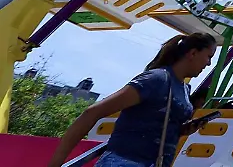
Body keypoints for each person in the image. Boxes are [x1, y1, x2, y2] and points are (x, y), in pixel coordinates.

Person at [47, 32, 218, 167]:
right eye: (209, 56)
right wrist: (56, 163)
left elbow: (156, 126)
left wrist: (182, 130)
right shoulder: (156, 79)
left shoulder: (183, 88)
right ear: (193, 53)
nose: (209, 63)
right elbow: (92, 113)